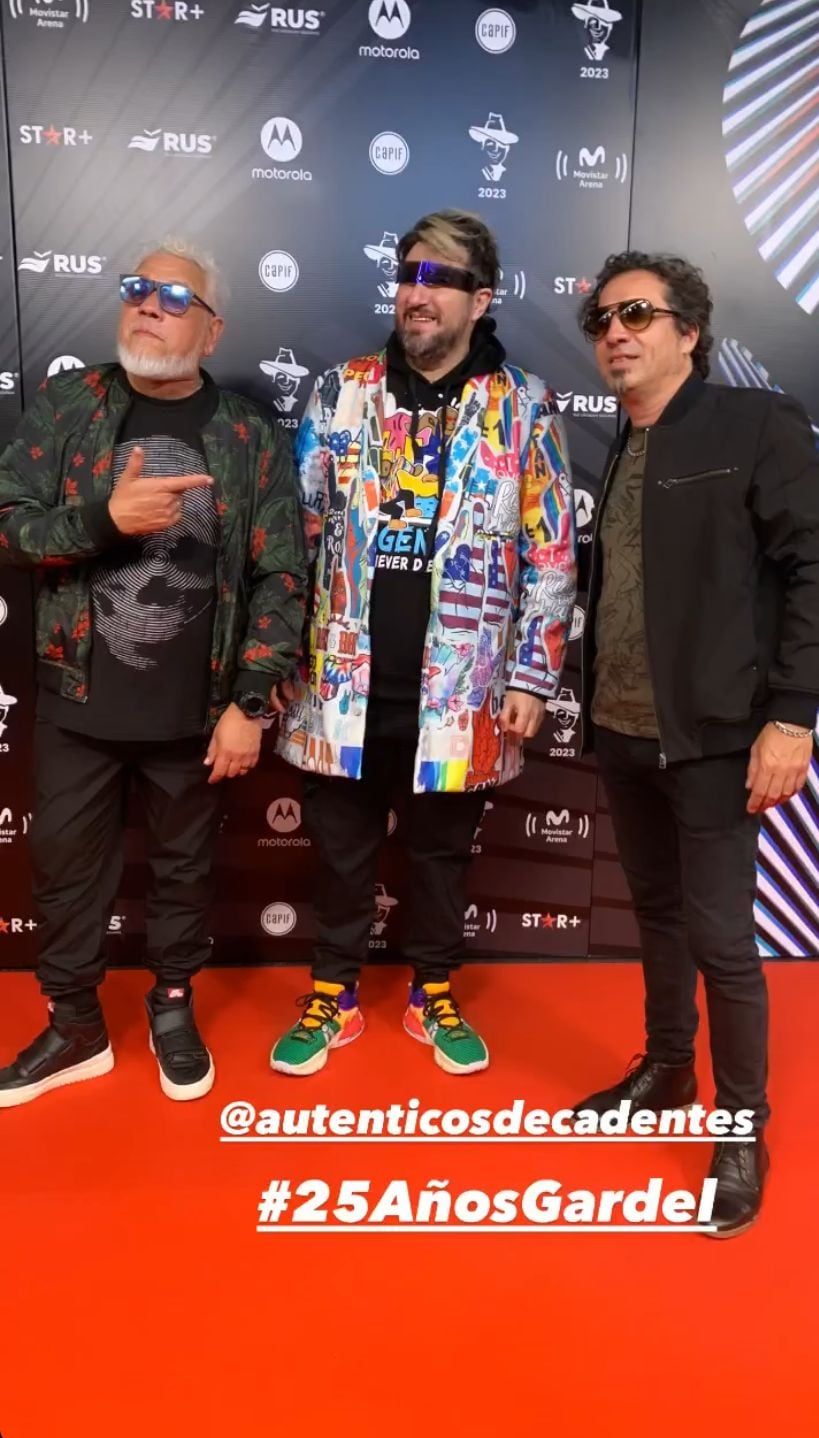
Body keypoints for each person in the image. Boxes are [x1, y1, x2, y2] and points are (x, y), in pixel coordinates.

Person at [270, 209, 576, 1077]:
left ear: (482, 299)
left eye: (439, 280)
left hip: (464, 685)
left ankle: (430, 989)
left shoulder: (523, 402)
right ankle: (331, 990)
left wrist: (531, 673)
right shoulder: (341, 390)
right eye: (409, 274)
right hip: (341, 678)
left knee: (441, 852)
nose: (417, 293)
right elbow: (293, 533)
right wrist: (282, 659)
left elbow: (550, 546)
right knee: (339, 847)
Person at [0, 237, 306, 1106]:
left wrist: (252, 702)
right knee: (61, 870)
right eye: (137, 289)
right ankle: (75, 1028)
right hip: (76, 702)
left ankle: (173, 1007)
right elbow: (7, 523)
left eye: (174, 298)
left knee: (184, 872)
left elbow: (282, 574)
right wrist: (102, 518)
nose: (148, 305)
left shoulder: (246, 434)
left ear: (211, 331)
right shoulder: (70, 407)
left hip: (198, 713)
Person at [575, 250, 819, 1235]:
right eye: (600, 319)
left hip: (720, 736)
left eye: (637, 312)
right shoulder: (624, 445)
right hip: (626, 732)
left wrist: (796, 714)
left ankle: (741, 1126)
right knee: (659, 915)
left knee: (722, 938)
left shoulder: (755, 424)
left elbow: (813, 567)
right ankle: (669, 1068)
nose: (615, 331)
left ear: (689, 329)